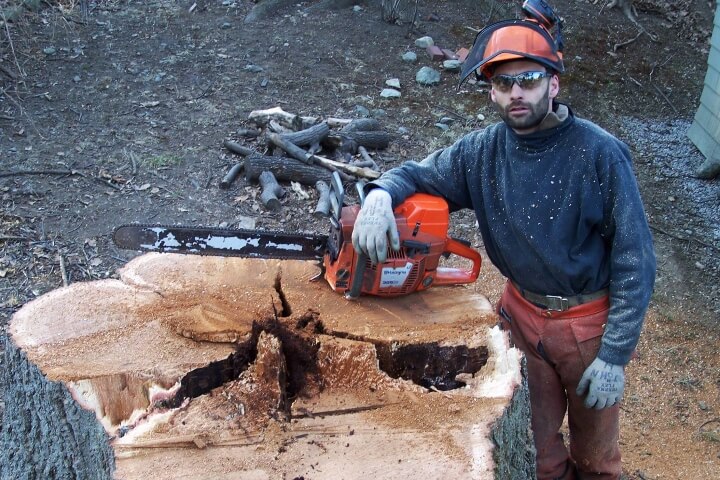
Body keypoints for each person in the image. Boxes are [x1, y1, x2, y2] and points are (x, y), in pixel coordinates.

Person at [350, 6, 656, 480]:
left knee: (596, 460)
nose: (516, 92)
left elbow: (636, 259)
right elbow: (418, 173)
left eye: (529, 79)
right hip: (521, 315)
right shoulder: (483, 150)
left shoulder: (598, 153)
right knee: (535, 451)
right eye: (503, 83)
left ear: (553, 83)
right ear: (491, 90)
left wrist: (615, 356)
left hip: (585, 324)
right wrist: (379, 196)